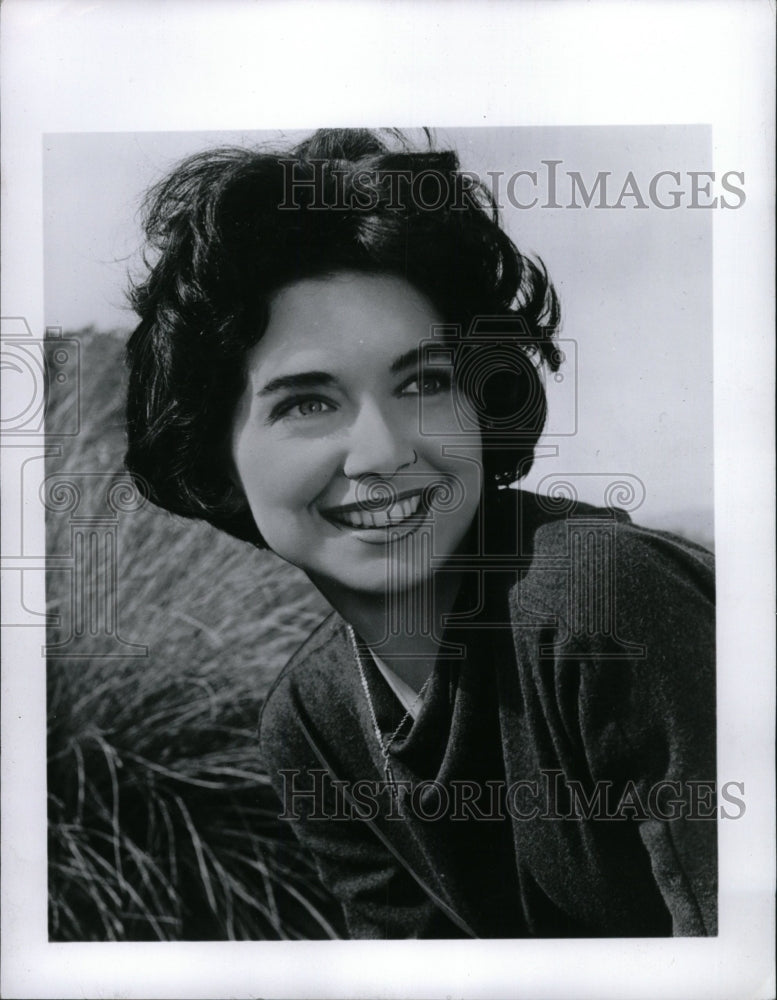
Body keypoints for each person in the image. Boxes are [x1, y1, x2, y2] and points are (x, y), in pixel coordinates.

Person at [124, 128, 716, 939]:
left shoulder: (599, 602)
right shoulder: (312, 718)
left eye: (426, 382)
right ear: (217, 460)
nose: (383, 452)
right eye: (306, 402)